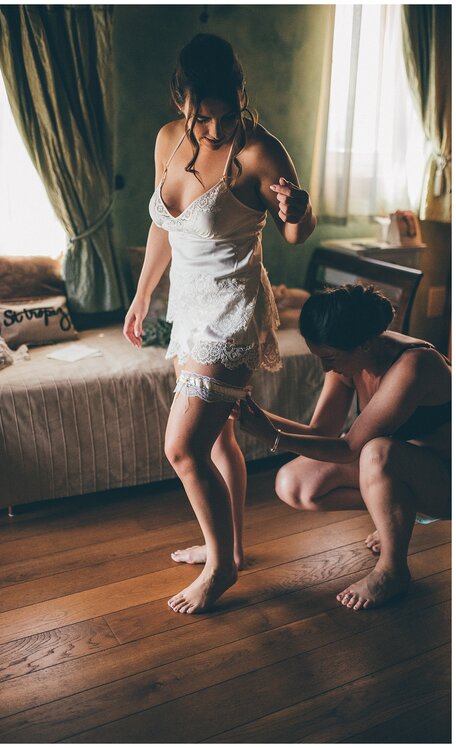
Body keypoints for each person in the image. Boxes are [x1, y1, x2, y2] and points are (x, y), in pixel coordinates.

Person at [124, 33, 316, 614]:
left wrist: (295, 211)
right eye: (202, 117)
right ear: (183, 101)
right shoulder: (167, 140)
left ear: (240, 96)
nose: (214, 130)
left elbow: (295, 231)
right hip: (186, 306)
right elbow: (166, 225)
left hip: (232, 312)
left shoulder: (260, 152)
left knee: (182, 448)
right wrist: (142, 296)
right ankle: (228, 550)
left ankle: (220, 569)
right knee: (220, 436)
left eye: (226, 114)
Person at [238, 284, 451, 609]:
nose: (324, 368)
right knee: (294, 484)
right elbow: (322, 431)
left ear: (364, 344)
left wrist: (273, 438)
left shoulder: (414, 365)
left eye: (329, 358)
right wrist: (256, 416)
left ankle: (393, 570)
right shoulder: (351, 359)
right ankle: (395, 511)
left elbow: (350, 447)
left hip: (444, 479)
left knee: (377, 451)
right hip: (399, 471)